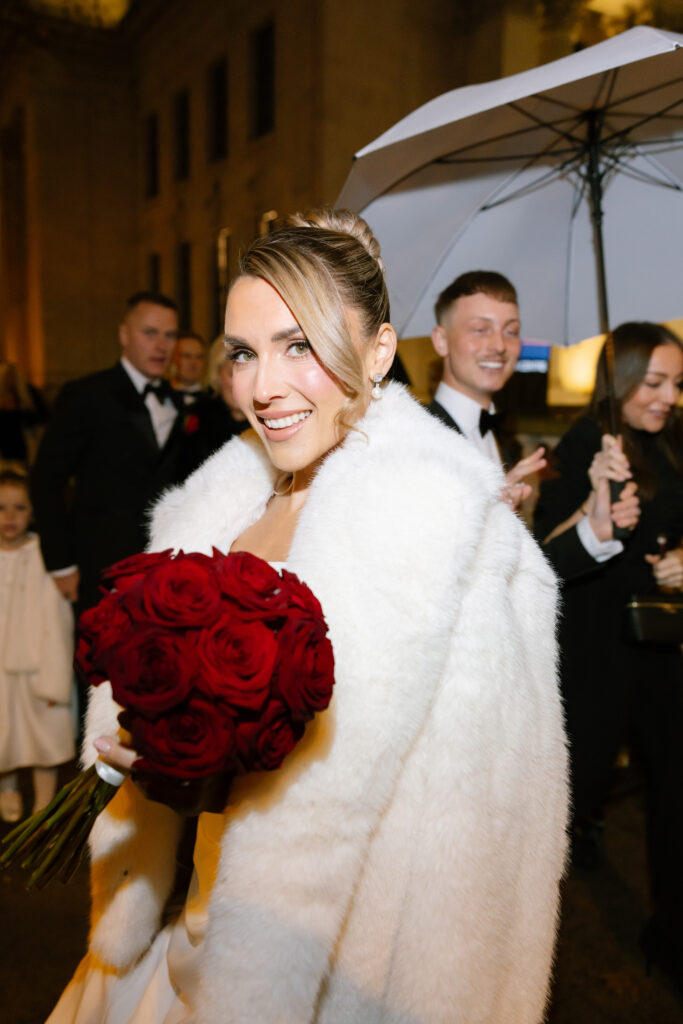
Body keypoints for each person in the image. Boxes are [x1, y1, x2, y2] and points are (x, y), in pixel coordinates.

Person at [48, 209, 568, 1024]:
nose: (264, 387)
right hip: (193, 919)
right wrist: (142, 751)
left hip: (338, 966)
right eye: (246, 354)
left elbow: (480, 856)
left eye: (300, 346)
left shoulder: (456, 542)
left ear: (379, 352)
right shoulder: (215, 502)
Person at [534, 322, 683, 992]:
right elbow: (548, 556)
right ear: (618, 378)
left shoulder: (672, 444)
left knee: (675, 791)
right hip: (595, 653)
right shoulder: (584, 443)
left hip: (660, 650)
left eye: (675, 383)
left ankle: (672, 933)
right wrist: (602, 516)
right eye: (652, 382)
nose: (666, 396)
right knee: (572, 796)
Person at [30, 291, 187, 615]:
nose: (162, 345)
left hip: (163, 567)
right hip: (98, 567)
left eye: (170, 335)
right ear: (124, 335)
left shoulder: (177, 401)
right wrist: (61, 564)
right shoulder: (85, 395)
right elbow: (46, 480)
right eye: (150, 332)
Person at [429, 271, 547, 508]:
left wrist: (592, 528)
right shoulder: (419, 439)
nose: (499, 346)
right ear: (441, 341)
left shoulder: (502, 440)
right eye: (480, 329)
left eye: (511, 331)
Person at [0, 469, 74, 823]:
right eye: (1, 508)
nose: (10, 517)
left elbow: (57, 618)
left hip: (37, 664)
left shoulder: (45, 553)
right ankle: (8, 788)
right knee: (4, 735)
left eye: (19, 508)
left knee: (43, 735)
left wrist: (55, 674)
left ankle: (43, 805)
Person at [177, 335, 250, 476]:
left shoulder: (273, 419)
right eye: (232, 374)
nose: (241, 384)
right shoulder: (197, 417)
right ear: (218, 376)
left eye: (247, 374)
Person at [169, 333, 209, 405]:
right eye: (186, 356)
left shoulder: (214, 397)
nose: (193, 363)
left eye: (199, 357)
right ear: (173, 358)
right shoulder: (162, 395)